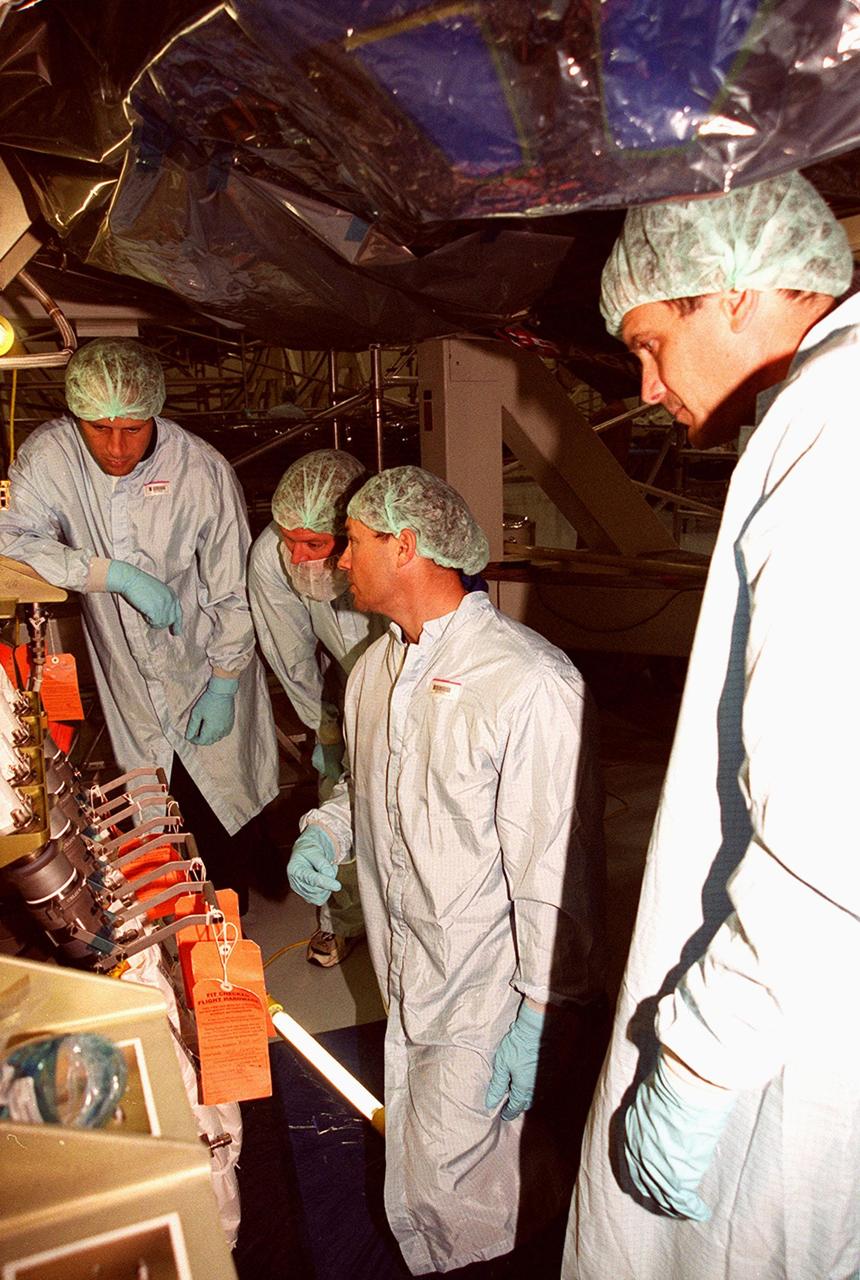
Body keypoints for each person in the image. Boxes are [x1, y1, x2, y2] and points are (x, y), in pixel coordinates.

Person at [563, 172, 860, 1279]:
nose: (643, 388)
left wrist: (689, 1057)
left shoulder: (832, 426)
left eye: (647, 343)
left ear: (726, 292)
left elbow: (829, 818)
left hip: (798, 1025)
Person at [288, 465, 607, 1274]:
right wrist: (327, 832)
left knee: (466, 1194)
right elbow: (363, 789)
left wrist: (541, 1011)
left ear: (406, 546)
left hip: (489, 991)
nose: (338, 563)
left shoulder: (529, 683)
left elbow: (554, 870)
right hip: (408, 971)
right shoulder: (372, 671)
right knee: (444, 1177)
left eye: (352, 544)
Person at [0, 338, 279, 913]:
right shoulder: (52, 457)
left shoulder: (201, 469)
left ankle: (233, 953)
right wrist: (111, 574)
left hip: (205, 665)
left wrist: (225, 682)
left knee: (221, 820)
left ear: (155, 413)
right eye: (99, 428)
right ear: (76, 415)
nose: (117, 446)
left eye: (133, 428)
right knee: (154, 824)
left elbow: (233, 591)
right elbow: (10, 538)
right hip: (127, 675)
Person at [248, 449, 386, 965]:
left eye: (314, 543)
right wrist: (323, 730)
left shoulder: (383, 553)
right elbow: (290, 656)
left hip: (407, 680)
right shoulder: (273, 558)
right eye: (290, 541)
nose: (299, 557)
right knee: (340, 796)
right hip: (341, 682)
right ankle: (343, 919)